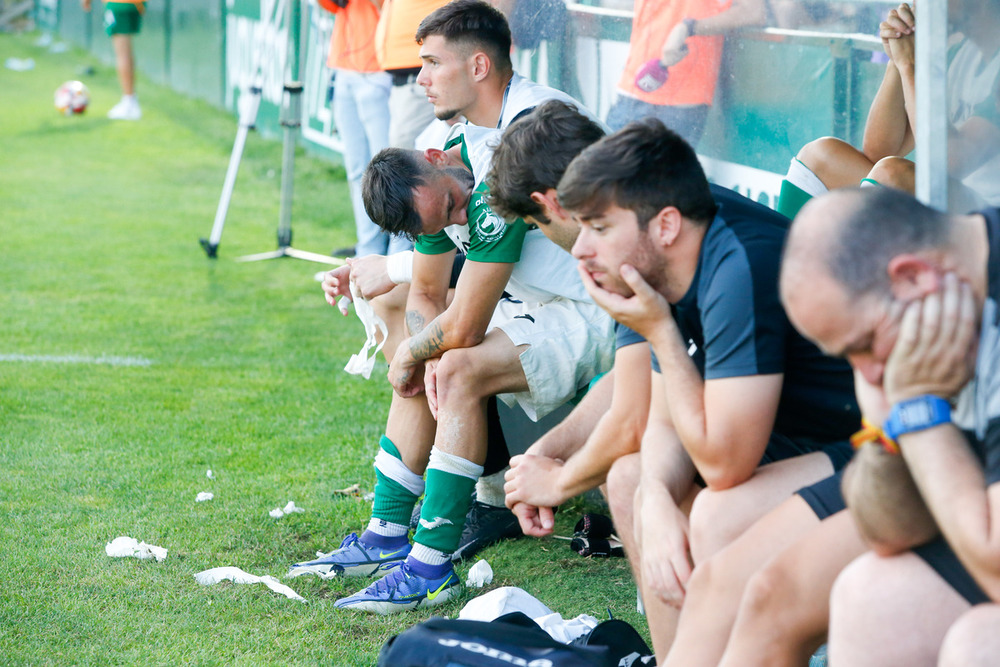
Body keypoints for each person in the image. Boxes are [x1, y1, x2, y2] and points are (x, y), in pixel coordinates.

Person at [296, 0, 613, 613]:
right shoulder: (442, 143)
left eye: (431, 63)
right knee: (408, 324)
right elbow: (425, 290)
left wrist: (422, 353)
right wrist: (419, 348)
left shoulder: (532, 128)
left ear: (477, 65)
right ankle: (386, 532)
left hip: (596, 306)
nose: (420, 78)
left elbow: (463, 321)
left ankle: (430, 565)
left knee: (453, 362)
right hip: (525, 302)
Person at [555, 118, 859, 661]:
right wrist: (653, 501)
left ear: (666, 225)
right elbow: (665, 418)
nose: (580, 249)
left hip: (868, 442)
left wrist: (661, 333)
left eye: (598, 228)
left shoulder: (738, 264)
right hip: (781, 434)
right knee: (630, 479)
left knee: (716, 513)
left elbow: (725, 467)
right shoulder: (660, 260)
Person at [777, 186, 1000, 666]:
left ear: (913, 276)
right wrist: (886, 417)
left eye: (863, 344)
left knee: (978, 646)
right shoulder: (946, 313)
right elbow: (889, 530)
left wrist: (917, 411)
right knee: (868, 597)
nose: (870, 373)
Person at [486, 101, 651, 537]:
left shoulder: (643, 245)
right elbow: (633, 376)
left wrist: (557, 481)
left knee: (634, 473)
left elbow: (635, 417)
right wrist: (545, 453)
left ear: (551, 203)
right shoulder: (637, 218)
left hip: (806, 441)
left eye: (537, 226)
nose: (576, 252)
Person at [776, 1, 1000, 219]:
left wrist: (909, 64)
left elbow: (948, 161)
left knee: (893, 174)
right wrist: (897, 58)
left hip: (990, 221)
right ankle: (779, 255)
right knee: (820, 156)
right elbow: (879, 152)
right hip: (954, 205)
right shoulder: (959, 56)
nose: (918, 4)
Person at [317, 0, 408, 258]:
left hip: (378, 68)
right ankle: (368, 249)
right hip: (343, 65)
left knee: (389, 168)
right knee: (358, 170)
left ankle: (398, 251)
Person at [604, 0, 765, 145]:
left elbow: (753, 12)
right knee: (603, 173)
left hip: (680, 99)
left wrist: (689, 27)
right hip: (634, 85)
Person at [81, 0, 144, 120]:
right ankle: (130, 100)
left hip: (118, 3)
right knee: (126, 51)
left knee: (122, 52)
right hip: (137, 3)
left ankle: (129, 102)